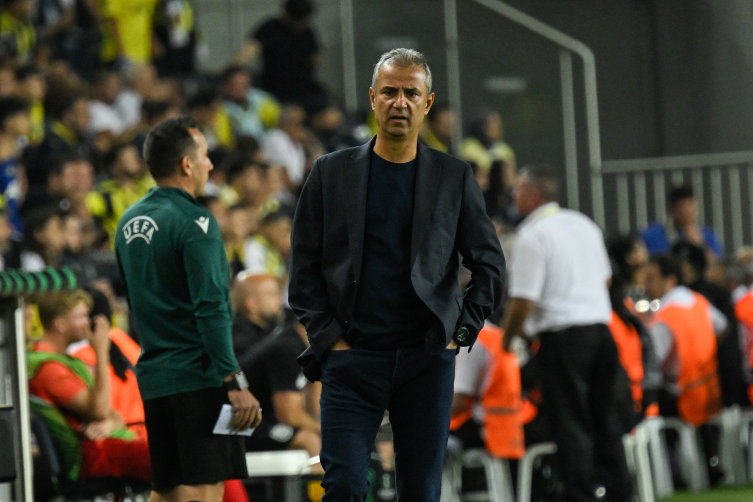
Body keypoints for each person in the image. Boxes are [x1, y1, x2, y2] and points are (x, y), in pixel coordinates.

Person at [289, 48, 505, 502]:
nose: (399, 102)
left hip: (426, 359)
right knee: (344, 486)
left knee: (421, 491)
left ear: (427, 103)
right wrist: (331, 340)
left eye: (411, 93)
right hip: (351, 359)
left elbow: (489, 264)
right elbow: (304, 270)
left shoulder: (454, 176)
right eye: (389, 92)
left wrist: (459, 333)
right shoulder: (329, 173)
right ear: (373, 98)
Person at [115, 116, 261, 502]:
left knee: (168, 490)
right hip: (198, 376)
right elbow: (211, 309)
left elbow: (135, 299)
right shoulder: (196, 222)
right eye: (205, 156)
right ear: (186, 164)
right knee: (203, 489)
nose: (210, 165)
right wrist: (234, 380)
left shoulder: (129, 221)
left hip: (156, 375)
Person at [501, 166, 632, 502]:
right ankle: (620, 492)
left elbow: (523, 300)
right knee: (605, 417)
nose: (514, 196)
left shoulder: (532, 235)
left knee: (570, 420)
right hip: (601, 331)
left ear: (533, 195)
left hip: (563, 337)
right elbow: (605, 279)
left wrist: (508, 337)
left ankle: (581, 494)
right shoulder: (584, 224)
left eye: (518, 190)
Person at [27, 289, 151, 482]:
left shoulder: (67, 361)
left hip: (109, 442)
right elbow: (100, 410)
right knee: (173, 459)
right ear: (60, 324)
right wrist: (101, 352)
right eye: (82, 316)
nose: (88, 322)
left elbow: (114, 417)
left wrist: (109, 423)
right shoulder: (49, 368)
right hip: (90, 456)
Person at [643, 253, 726, 485]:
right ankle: (712, 464)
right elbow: (721, 326)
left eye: (651, 278)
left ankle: (674, 474)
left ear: (669, 280)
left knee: (652, 400)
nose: (646, 285)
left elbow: (653, 360)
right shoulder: (698, 301)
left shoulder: (664, 315)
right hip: (710, 387)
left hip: (682, 394)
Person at [240, 321, 322, 459]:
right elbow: (288, 415)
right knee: (309, 440)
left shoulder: (308, 349)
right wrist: (329, 431)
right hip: (239, 422)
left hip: (264, 418)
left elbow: (314, 407)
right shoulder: (288, 348)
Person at [449, 322, 525, 460]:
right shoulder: (494, 334)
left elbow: (459, 402)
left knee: (418, 432)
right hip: (507, 426)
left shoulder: (471, 340)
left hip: (485, 427)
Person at [641, 185, 723, 257]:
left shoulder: (707, 235)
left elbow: (717, 264)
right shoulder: (653, 235)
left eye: (690, 204)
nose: (687, 211)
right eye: (682, 206)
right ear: (671, 209)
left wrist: (699, 244)